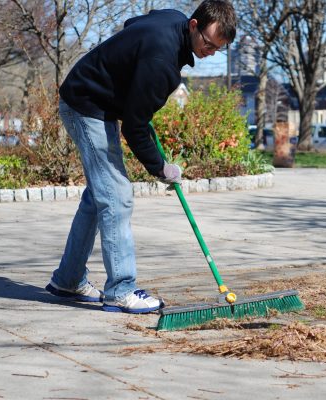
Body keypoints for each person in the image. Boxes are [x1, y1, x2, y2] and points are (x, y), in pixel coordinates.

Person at [44, 0, 237, 314]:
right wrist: (160, 168)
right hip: (86, 105)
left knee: (100, 196)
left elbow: (133, 24)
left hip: (95, 100)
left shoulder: (172, 19)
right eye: (207, 43)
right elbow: (134, 126)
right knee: (118, 196)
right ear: (193, 25)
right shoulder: (161, 61)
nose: (209, 52)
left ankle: (68, 279)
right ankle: (120, 289)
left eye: (218, 48)